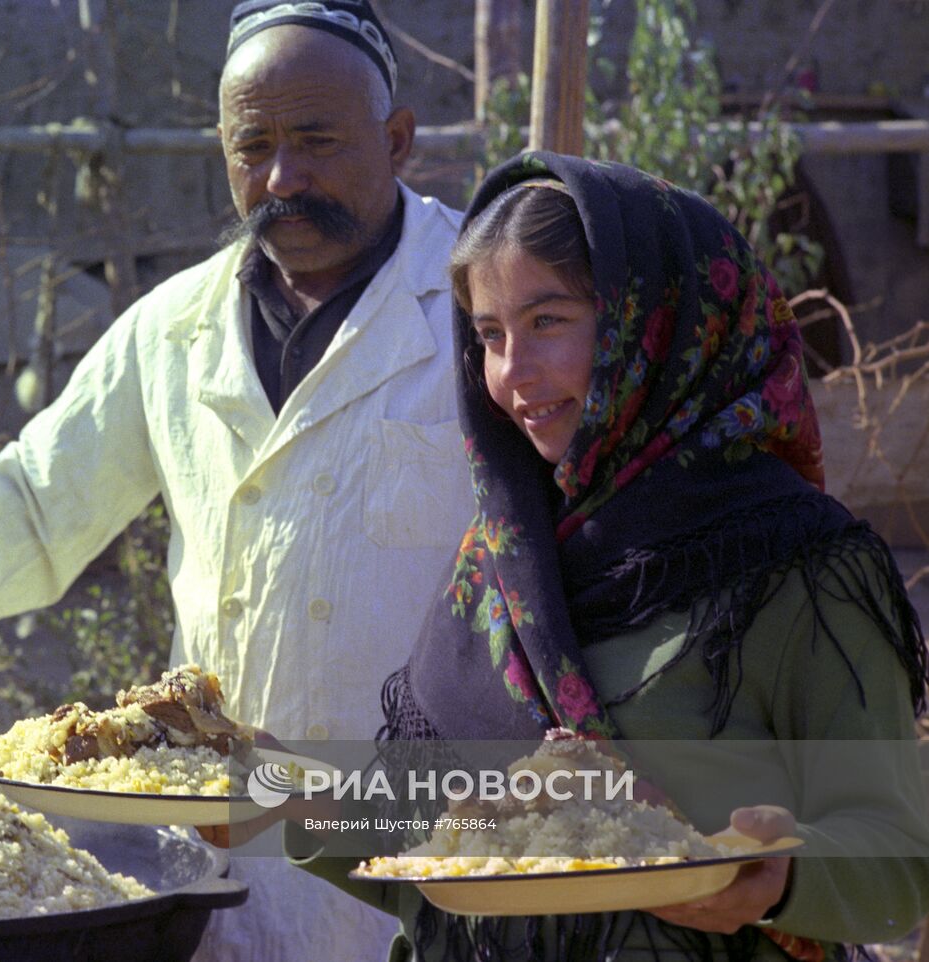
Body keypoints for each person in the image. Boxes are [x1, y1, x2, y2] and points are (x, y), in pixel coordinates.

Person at [0, 3, 473, 959]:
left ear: (398, 139)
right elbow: (37, 502)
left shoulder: (480, 307)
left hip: (433, 858)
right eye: (255, 147)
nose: (285, 177)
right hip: (223, 871)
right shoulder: (173, 329)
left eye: (319, 141)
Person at [294, 152, 929, 960]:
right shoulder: (501, 563)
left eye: (548, 321)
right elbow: (427, 854)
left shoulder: (794, 562)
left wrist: (780, 877)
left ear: (651, 324)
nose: (511, 374)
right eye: (488, 335)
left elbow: (898, 860)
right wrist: (288, 802)